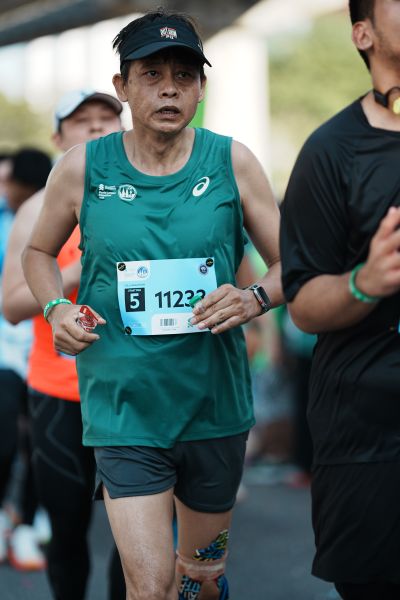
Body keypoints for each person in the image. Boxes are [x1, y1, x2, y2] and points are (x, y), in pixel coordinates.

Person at [22, 9, 283, 600]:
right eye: (152, 74)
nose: (169, 88)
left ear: (201, 88)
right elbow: (37, 252)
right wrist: (55, 308)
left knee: (201, 579)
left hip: (213, 407)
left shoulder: (232, 161)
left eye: (184, 76)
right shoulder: (82, 166)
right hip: (125, 408)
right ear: (123, 86)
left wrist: (254, 299)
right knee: (149, 587)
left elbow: (294, 264)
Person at [280, 1, 400, 599]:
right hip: (370, 442)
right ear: (363, 33)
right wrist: (365, 282)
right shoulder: (331, 151)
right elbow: (303, 304)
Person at [3, 90, 126, 598]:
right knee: (68, 528)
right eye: (81, 121)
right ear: (58, 137)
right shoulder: (38, 207)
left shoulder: (147, 194)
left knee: (136, 533)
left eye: (106, 118)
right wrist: (75, 271)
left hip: (132, 389)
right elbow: (11, 305)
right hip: (60, 392)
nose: (95, 128)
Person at [0, 148, 52, 569]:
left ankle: (28, 522)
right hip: (5, 349)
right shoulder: (5, 219)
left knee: (40, 441)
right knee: (3, 439)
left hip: (44, 348)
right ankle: (4, 516)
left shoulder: (58, 218)